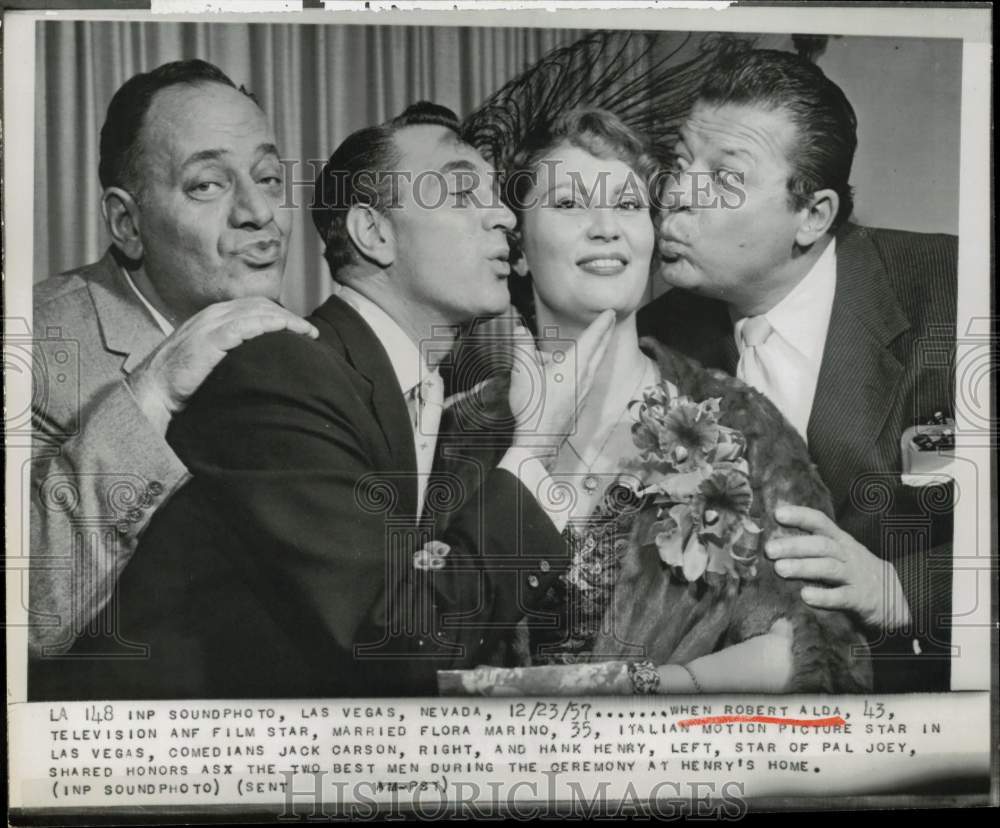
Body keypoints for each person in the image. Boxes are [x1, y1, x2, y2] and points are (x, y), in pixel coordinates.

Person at [42, 102, 618, 701]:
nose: (503, 216)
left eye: (498, 197)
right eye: (462, 193)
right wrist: (532, 453)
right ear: (374, 233)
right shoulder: (278, 374)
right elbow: (391, 644)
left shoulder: (419, 398)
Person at [438, 106, 872, 695]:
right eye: (568, 205)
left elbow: (824, 661)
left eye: (627, 205)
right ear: (517, 247)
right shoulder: (454, 434)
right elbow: (402, 654)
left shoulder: (742, 424)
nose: (606, 227)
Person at [637, 48, 956, 691]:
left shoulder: (957, 291)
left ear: (813, 216)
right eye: (677, 165)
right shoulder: (656, 339)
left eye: (725, 180)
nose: (676, 195)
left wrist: (906, 590)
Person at [28, 60, 317, 665]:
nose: (259, 212)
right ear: (127, 223)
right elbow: (31, 616)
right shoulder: (34, 345)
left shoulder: (293, 341)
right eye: (207, 185)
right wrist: (153, 390)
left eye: (266, 177)